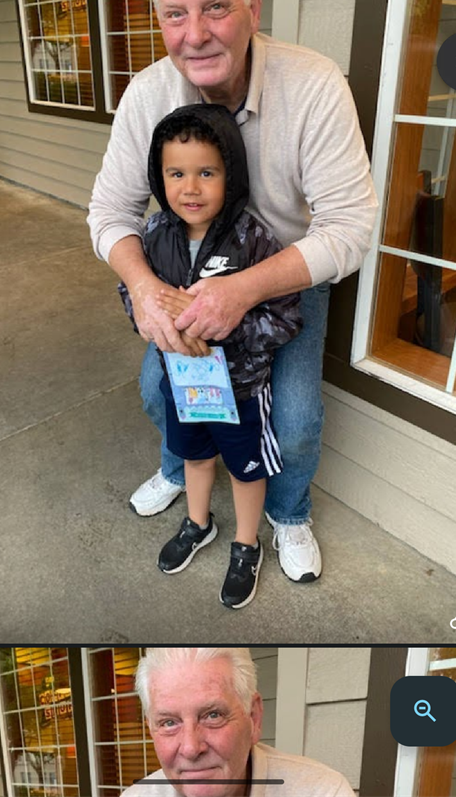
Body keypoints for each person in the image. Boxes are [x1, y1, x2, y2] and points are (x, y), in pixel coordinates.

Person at [88, 0, 378, 584]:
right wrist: (144, 287)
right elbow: (108, 213)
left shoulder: (313, 84)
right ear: (159, 20)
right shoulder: (147, 95)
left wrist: (245, 288)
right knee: (160, 390)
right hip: (186, 274)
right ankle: (179, 474)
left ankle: (286, 510)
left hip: (283, 270)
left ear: (253, 4)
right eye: (175, 13)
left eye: (214, 7)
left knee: (295, 418)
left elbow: (350, 227)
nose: (195, 33)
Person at [119, 103, 302, 608]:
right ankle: (198, 523)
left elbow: (286, 316)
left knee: (246, 468)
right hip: (180, 383)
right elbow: (130, 293)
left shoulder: (254, 241)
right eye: (176, 174)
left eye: (206, 173)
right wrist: (156, 320)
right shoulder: (153, 238)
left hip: (240, 389)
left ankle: (246, 545)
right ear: (160, 176)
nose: (191, 188)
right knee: (194, 456)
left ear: (231, 174)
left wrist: (228, 329)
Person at [122, 647, 355, 797]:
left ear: (253, 718)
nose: (191, 748)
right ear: (151, 729)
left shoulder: (322, 792)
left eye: (213, 715)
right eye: (169, 723)